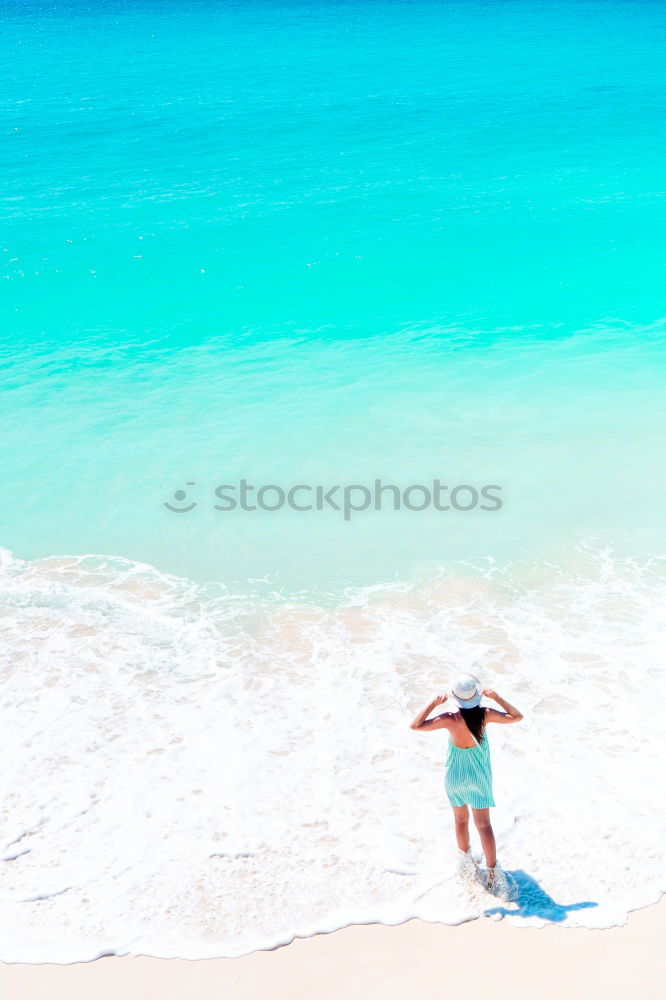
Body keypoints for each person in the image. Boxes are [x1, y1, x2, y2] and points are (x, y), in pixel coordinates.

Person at [409, 673, 523, 898]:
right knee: (484, 825)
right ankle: (492, 874)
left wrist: (433, 703)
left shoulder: (449, 718)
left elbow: (415, 725)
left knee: (460, 820)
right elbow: (516, 717)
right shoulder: (486, 715)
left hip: (455, 777)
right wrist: (497, 697)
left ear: (454, 698)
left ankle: (466, 867)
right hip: (478, 777)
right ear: (477, 696)